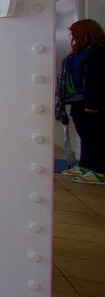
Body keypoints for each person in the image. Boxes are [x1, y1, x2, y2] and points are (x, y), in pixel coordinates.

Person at [57, 19, 105, 184]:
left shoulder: (97, 51)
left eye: (75, 33)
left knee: (95, 135)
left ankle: (100, 170)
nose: (72, 36)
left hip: (91, 101)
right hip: (78, 100)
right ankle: (86, 165)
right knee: (84, 133)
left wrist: (93, 103)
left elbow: (97, 79)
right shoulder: (83, 51)